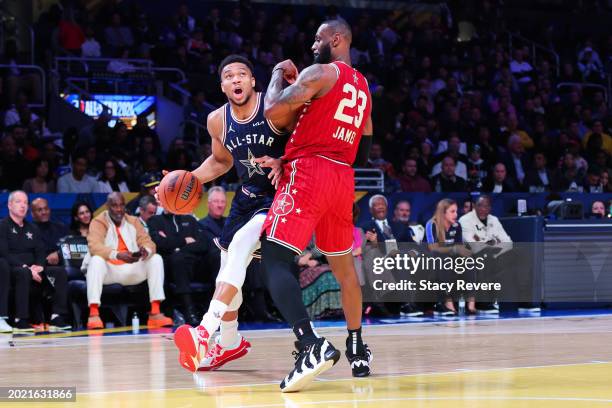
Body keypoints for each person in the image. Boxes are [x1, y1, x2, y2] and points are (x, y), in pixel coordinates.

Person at [260, 19, 373, 390]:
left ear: (336, 39)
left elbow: (273, 108)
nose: (312, 45)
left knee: (275, 257)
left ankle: (310, 344)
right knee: (344, 269)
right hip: (343, 178)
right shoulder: (364, 87)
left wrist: (279, 72)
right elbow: (366, 146)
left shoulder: (321, 72)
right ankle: (357, 344)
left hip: (310, 171)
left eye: (317, 38)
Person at [172, 55, 289, 373]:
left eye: (242, 74)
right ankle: (229, 342)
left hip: (281, 196)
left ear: (253, 81)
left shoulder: (275, 105)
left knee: (238, 249)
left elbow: (305, 139)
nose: (236, 79)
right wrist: (189, 179)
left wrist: (285, 160)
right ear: (222, 86)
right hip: (246, 197)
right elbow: (221, 162)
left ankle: (203, 332)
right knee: (227, 271)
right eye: (229, 76)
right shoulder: (217, 120)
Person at [84, 193, 172, 330]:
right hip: (109, 270)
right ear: (107, 207)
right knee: (96, 260)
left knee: (156, 258)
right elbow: (95, 247)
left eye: (121, 205)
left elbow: (149, 243)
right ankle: (94, 314)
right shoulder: (98, 222)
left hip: (131, 268)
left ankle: (155, 312)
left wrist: (145, 251)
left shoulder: (133, 221)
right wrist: (118, 255)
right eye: (114, 205)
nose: (119, 209)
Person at [0, 191, 71, 331]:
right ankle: (21, 319)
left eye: (25, 202)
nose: (23, 206)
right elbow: (4, 253)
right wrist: (26, 267)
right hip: (12, 269)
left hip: (34, 268)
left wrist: (39, 266)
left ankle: (56, 316)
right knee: (23, 272)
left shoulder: (33, 228)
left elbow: (40, 251)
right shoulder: (2, 225)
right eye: (18, 202)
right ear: (9, 205)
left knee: (59, 272)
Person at [148, 209, 211, 327]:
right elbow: (159, 244)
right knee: (177, 259)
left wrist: (175, 246)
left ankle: (215, 311)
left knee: (213, 256)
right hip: (171, 268)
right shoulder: (155, 220)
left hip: (193, 265)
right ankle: (189, 311)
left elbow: (203, 245)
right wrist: (184, 240)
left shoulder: (190, 219)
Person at [459, 195, 513, 314]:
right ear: (475, 207)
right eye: (480, 206)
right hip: (470, 256)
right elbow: (472, 245)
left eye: (486, 206)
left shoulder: (494, 220)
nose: (483, 209)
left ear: (490, 208)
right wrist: (493, 244)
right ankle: (483, 303)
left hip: (493, 254)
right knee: (485, 256)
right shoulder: (465, 220)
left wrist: (493, 248)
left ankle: (527, 303)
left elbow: (508, 242)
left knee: (519, 254)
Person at [425, 199, 472, 316]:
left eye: (456, 211)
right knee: (442, 258)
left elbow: (460, 247)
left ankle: (471, 302)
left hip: (450, 259)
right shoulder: (432, 224)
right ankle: (447, 301)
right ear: (443, 213)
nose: (456, 215)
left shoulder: (457, 226)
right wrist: (453, 249)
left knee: (470, 259)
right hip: (428, 262)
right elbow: (432, 248)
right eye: (452, 212)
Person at [31, 198, 70, 269]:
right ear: (32, 214)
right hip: (39, 268)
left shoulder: (61, 228)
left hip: (61, 267)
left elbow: (69, 249)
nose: (44, 212)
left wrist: (59, 254)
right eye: (39, 210)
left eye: (46, 209)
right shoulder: (27, 231)